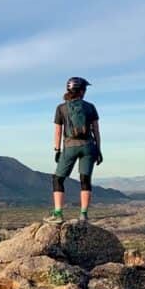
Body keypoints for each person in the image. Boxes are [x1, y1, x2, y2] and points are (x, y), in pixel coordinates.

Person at [47, 77, 102, 224]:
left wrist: (57, 150)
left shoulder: (61, 108)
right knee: (85, 180)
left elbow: (58, 131)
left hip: (70, 147)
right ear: (82, 91)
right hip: (88, 147)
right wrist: (99, 149)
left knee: (58, 179)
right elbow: (96, 130)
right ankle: (83, 214)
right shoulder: (90, 107)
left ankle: (58, 214)